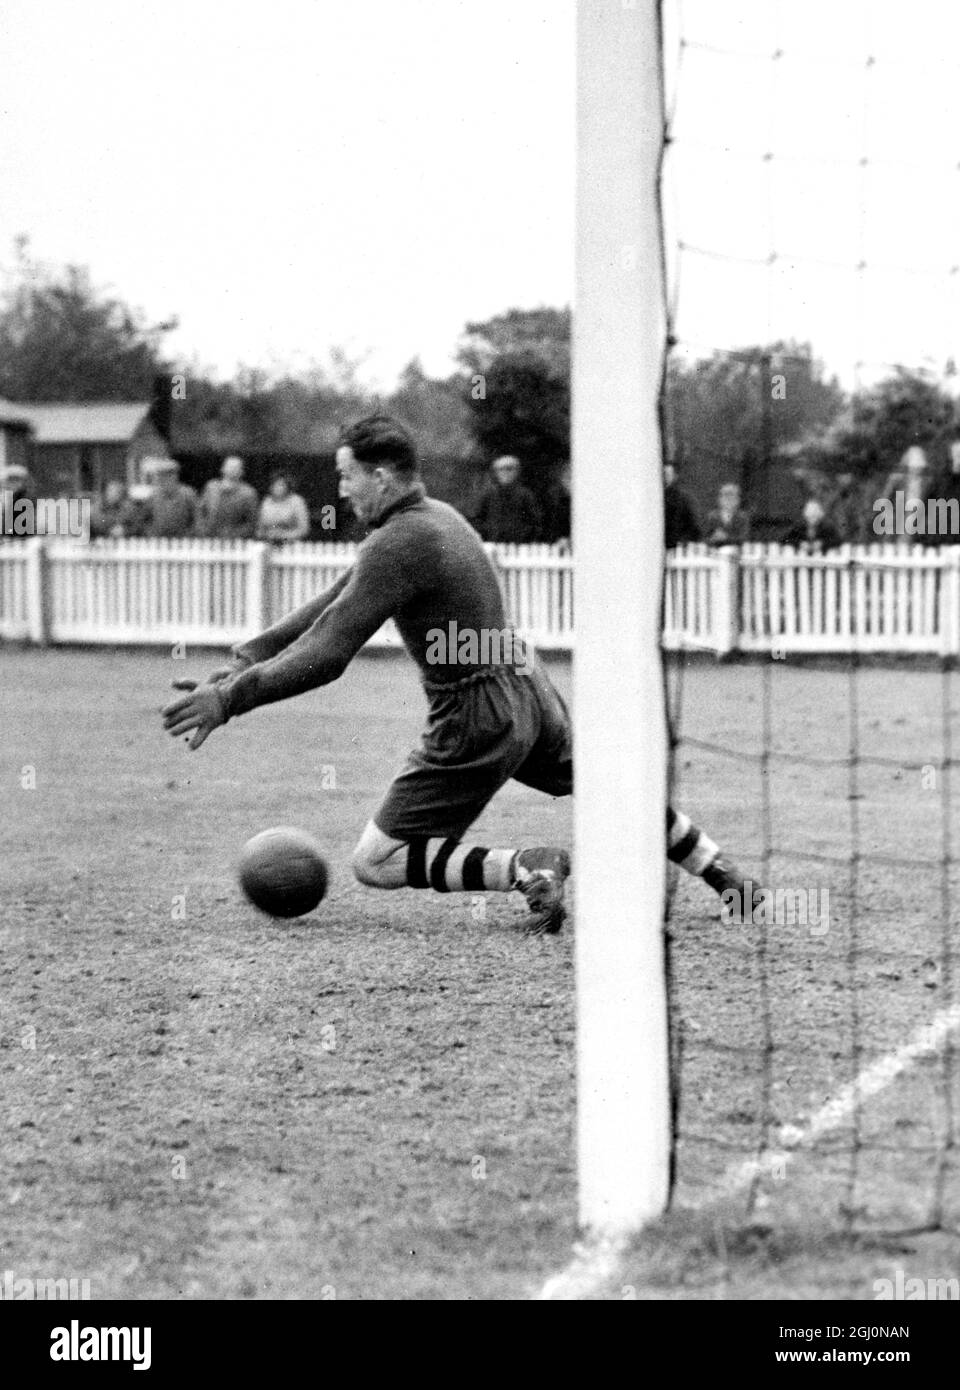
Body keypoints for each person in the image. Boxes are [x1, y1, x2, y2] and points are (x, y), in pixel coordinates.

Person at [162, 414, 757, 933]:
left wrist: (231, 700)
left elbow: (329, 652)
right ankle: (725, 876)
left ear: (381, 477)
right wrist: (245, 658)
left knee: (376, 861)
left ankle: (525, 866)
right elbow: (330, 603)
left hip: (477, 711)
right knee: (606, 786)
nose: (341, 491)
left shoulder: (398, 542)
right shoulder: (436, 519)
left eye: (346, 476)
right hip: (528, 687)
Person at [472, 455, 542, 544]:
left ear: (517, 471)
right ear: (496, 473)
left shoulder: (525, 495)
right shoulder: (488, 495)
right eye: (501, 469)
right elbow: (478, 520)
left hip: (519, 546)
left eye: (509, 469)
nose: (505, 473)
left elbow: (535, 522)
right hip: (493, 544)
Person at [199, 456, 259, 539]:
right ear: (222, 469)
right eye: (230, 466)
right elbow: (200, 512)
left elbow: (252, 522)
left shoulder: (248, 493)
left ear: (242, 472)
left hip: (234, 541)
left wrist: (234, 534)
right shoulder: (211, 487)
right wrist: (203, 530)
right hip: (209, 538)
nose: (232, 470)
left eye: (236, 467)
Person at [143, 458, 198, 538]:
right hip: (158, 541)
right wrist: (151, 534)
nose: (164, 478)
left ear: (175, 476)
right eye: (161, 475)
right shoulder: (153, 496)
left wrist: (190, 535)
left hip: (183, 541)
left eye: (169, 475)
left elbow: (196, 518)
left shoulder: (188, 494)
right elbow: (145, 519)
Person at [256, 473, 310, 543]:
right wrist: (264, 535)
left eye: (280, 485)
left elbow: (304, 529)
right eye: (274, 485)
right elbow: (259, 527)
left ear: (287, 486)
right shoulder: (266, 501)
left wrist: (283, 536)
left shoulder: (297, 501)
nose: (277, 488)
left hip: (291, 543)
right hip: (268, 541)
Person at [663, 463, 701, 549]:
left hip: (675, 544)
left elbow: (692, 526)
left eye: (667, 474)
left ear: (675, 476)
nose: (664, 477)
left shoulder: (682, 499)